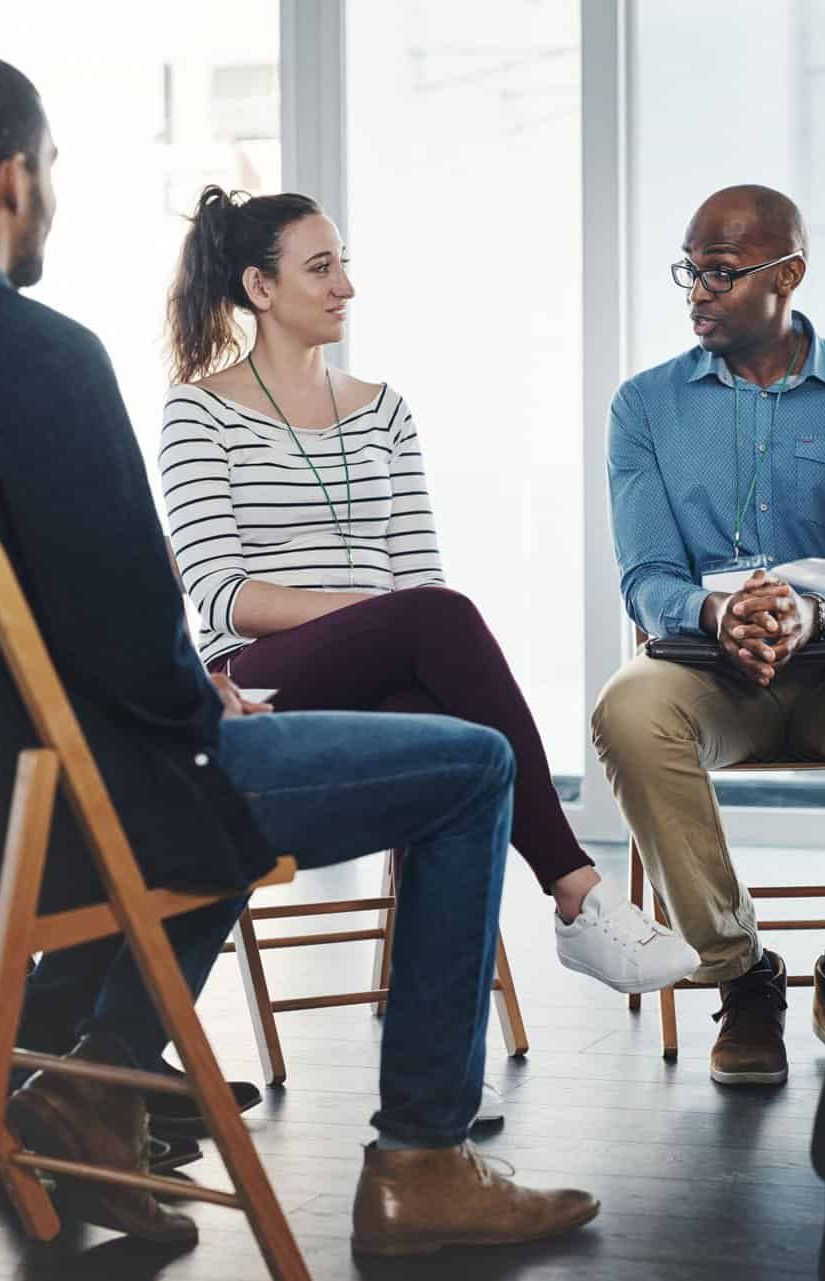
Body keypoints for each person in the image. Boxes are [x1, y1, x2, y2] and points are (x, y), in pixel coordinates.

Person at [0, 47, 596, 1255]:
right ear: (11, 179)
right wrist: (212, 708)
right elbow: (140, 637)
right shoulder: (36, 353)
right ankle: (421, 1158)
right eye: (48, 168)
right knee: (463, 767)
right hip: (49, 815)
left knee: (194, 767)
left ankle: (95, 1088)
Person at [160, 185, 698, 1001]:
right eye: (321, 267)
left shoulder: (385, 412)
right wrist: (376, 617)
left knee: (446, 734)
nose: (346, 285)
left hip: (390, 661)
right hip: (260, 678)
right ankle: (576, 891)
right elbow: (222, 596)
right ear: (259, 288)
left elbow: (417, 578)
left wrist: (389, 622)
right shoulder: (198, 412)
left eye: (344, 264)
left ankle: (441, 1054)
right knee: (436, 622)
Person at [594, 184, 825, 1088]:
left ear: (789, 275)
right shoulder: (644, 407)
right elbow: (645, 575)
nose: (698, 291)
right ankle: (741, 976)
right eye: (690, 271)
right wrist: (716, 614)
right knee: (627, 710)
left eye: (722, 273)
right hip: (708, 673)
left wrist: (813, 611)